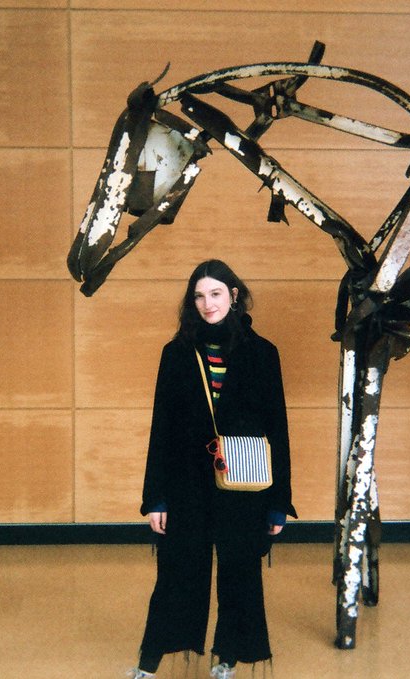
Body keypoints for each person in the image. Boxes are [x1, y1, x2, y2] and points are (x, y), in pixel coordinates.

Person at [128, 260, 296, 679]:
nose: (207, 304)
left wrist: (279, 503)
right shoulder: (177, 353)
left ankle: (228, 658)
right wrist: (156, 498)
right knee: (178, 573)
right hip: (186, 483)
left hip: (245, 482)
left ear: (234, 295)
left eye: (216, 293)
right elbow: (161, 428)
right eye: (199, 296)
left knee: (240, 573)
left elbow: (278, 428)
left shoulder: (263, 353)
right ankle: (149, 663)